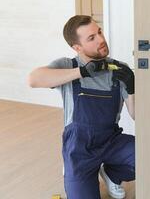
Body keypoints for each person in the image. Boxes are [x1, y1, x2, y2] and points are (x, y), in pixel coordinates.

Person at [28, 15, 135, 199]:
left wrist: (131, 86)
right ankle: (73, 172)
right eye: (91, 38)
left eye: (99, 32)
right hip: (79, 149)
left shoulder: (119, 70)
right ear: (77, 48)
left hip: (110, 141)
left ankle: (113, 174)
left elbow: (136, 114)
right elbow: (34, 79)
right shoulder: (67, 66)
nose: (101, 40)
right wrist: (81, 72)